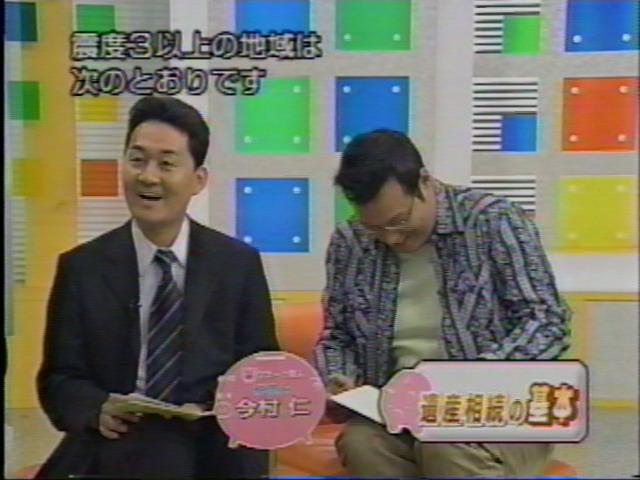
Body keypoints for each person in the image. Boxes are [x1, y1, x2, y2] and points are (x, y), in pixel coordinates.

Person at [36, 96, 278, 479]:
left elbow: (263, 370)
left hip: (212, 444)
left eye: (166, 164)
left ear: (198, 179)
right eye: (137, 160)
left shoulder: (237, 265)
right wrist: (97, 408)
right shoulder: (82, 268)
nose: (148, 177)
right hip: (119, 439)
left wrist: (225, 402)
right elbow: (58, 379)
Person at [314, 129, 572, 478]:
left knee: (444, 443)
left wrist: (469, 379)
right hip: (395, 408)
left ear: (425, 182)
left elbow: (547, 321)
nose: (391, 238)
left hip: (497, 404)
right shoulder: (350, 242)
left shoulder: (493, 221)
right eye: (375, 228)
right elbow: (337, 334)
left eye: (399, 221)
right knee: (361, 444)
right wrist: (338, 378)